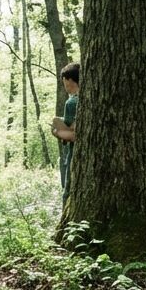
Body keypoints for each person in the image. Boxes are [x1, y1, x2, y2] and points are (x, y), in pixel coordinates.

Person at [51, 63, 81, 195]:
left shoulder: (72, 102)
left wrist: (56, 131)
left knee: (68, 191)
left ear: (69, 80)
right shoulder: (88, 98)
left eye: (64, 81)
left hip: (75, 153)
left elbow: (72, 133)